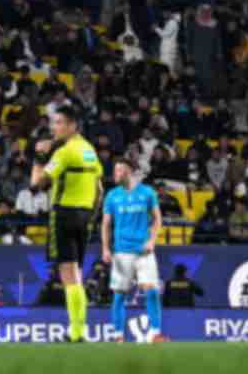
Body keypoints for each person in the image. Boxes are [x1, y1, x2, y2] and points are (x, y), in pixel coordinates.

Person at [32, 105, 104, 343]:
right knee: (77, 273)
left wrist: (39, 157)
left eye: (59, 122)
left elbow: (37, 184)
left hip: (63, 214)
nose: (54, 128)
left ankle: (75, 331)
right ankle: (79, 329)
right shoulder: (89, 150)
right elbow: (99, 189)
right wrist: (92, 217)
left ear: (73, 125)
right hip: (85, 216)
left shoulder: (64, 152)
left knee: (67, 274)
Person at [101, 158, 167, 343]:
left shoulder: (147, 193)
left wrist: (152, 241)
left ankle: (155, 333)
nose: (115, 174)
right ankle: (118, 336)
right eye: (115, 170)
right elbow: (106, 224)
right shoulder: (112, 195)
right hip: (122, 252)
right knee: (119, 295)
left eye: (119, 170)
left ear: (129, 172)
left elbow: (157, 219)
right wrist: (105, 248)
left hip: (144, 252)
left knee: (152, 291)